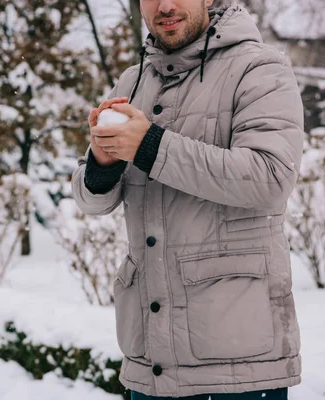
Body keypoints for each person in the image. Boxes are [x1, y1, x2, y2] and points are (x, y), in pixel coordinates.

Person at [71, 1, 304, 399]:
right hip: (151, 365)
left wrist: (150, 146)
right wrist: (102, 162)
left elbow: (270, 177)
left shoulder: (259, 68)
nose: (165, 6)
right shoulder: (131, 83)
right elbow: (92, 202)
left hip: (239, 366)